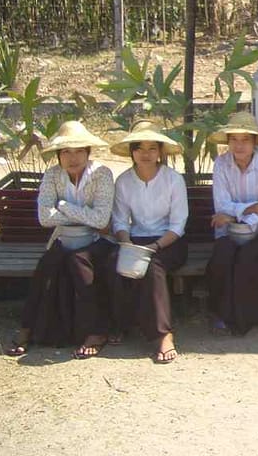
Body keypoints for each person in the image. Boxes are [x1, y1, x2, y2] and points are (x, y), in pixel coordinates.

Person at [5, 121, 116, 359]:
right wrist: (84, 216)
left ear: (88, 152)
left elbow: (102, 220)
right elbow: (45, 217)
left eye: (78, 151)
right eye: (66, 151)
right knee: (47, 266)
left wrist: (64, 206)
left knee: (80, 265)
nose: (72, 158)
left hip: (99, 240)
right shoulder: (53, 175)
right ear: (58, 155)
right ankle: (28, 328)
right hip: (63, 239)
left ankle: (96, 331)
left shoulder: (102, 174)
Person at [110, 120, 188, 364]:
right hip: (134, 240)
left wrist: (153, 247)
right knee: (113, 264)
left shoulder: (173, 180)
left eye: (152, 148)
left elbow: (178, 225)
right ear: (132, 151)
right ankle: (119, 324)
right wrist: (126, 244)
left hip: (168, 241)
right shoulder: (123, 181)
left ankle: (163, 334)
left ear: (160, 153)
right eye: (139, 148)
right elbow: (120, 221)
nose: (145, 154)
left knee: (152, 267)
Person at [205, 112, 258, 337]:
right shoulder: (220, 165)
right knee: (222, 258)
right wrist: (255, 208)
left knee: (249, 258)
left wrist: (238, 214)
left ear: (254, 143)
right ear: (228, 142)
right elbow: (221, 204)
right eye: (234, 140)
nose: (239, 146)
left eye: (245, 140)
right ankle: (220, 314)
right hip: (227, 233)